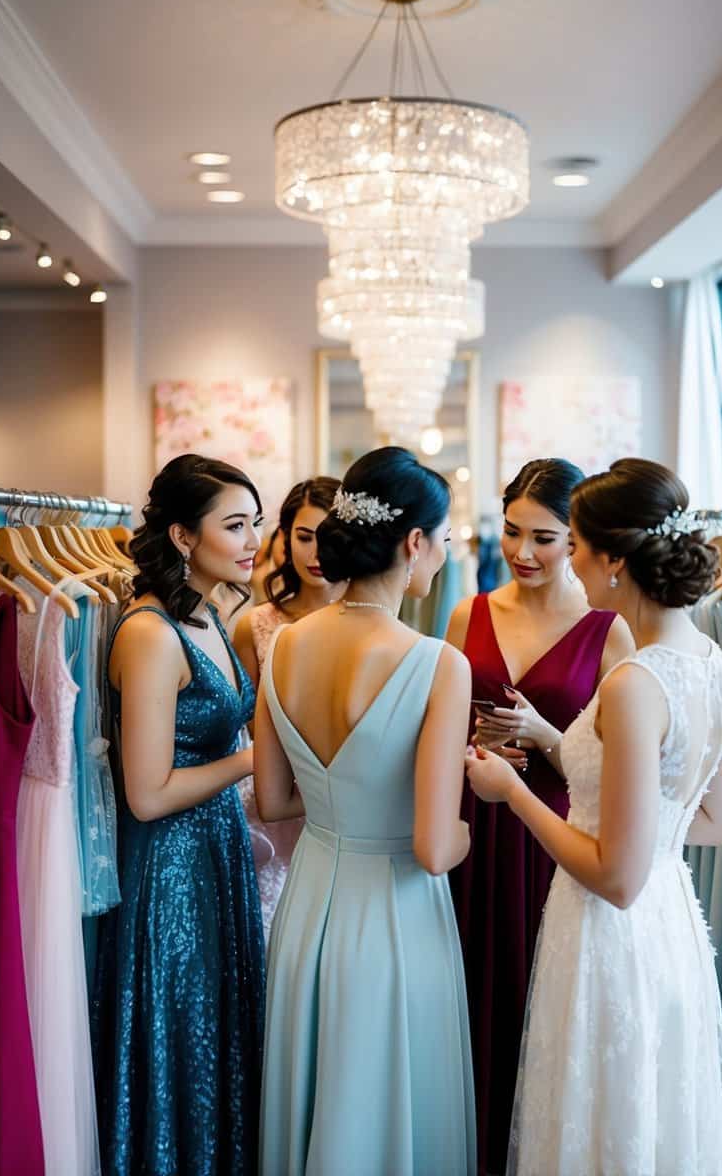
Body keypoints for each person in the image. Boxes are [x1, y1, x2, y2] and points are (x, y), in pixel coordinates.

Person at [466, 458, 722, 1176]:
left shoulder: (632, 683)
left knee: (596, 1115)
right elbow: (718, 822)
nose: (570, 565)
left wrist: (514, 792)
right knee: (646, 1117)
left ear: (613, 559)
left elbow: (614, 879)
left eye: (576, 546)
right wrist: (553, 742)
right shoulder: (708, 659)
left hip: (606, 932)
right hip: (669, 925)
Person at [255, 446, 475, 1176]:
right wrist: (471, 825)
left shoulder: (283, 645)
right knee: (390, 1106)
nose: (442, 559)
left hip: (308, 902)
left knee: (314, 1095)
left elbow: (272, 800)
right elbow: (435, 848)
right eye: (443, 542)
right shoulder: (437, 662)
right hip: (394, 916)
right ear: (414, 542)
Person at [446, 458, 632, 1173]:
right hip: (477, 820)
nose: (522, 553)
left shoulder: (608, 630)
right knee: (475, 983)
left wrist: (545, 741)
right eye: (514, 533)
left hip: (554, 827)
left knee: (545, 997)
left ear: (576, 538)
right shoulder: (470, 613)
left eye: (545, 538)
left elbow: (615, 765)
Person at [92, 454, 266, 1176]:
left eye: (256, 522)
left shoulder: (206, 616)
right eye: (234, 524)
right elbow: (148, 793)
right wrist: (252, 761)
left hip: (214, 851)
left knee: (218, 1036)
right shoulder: (150, 633)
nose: (253, 539)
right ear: (183, 537)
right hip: (170, 872)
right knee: (184, 1038)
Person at [233, 476, 344, 934]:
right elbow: (247, 727)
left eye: (328, 538)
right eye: (304, 537)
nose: (316, 554)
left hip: (346, 808)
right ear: (283, 538)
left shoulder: (373, 620)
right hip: (274, 806)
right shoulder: (253, 625)